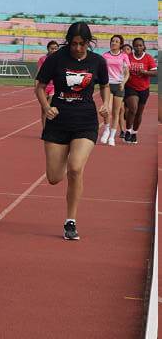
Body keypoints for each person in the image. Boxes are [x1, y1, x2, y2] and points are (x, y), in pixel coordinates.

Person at [35, 21, 109, 240]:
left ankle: (70, 221)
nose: (78, 48)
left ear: (88, 42)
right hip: (58, 121)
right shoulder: (55, 59)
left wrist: (105, 104)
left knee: (76, 168)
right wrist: (46, 107)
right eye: (74, 43)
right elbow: (39, 87)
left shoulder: (97, 61)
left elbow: (104, 85)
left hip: (85, 121)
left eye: (82, 43)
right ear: (69, 42)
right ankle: (65, 164)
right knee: (54, 178)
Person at [124, 37, 157, 144]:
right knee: (133, 108)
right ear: (133, 47)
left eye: (140, 45)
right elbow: (123, 69)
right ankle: (128, 130)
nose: (138, 47)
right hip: (130, 87)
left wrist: (145, 72)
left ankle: (134, 132)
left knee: (139, 113)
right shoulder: (128, 57)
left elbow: (155, 73)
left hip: (143, 89)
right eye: (136, 45)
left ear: (144, 47)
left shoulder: (148, 58)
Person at [99, 35, 130, 146]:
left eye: (116, 41)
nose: (114, 43)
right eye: (112, 41)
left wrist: (123, 83)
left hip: (119, 85)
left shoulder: (124, 56)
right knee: (107, 109)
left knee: (116, 112)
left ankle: (112, 136)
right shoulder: (105, 55)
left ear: (120, 44)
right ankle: (106, 129)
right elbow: (101, 71)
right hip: (107, 85)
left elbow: (127, 73)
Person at [35, 40, 59, 128]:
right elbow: (38, 74)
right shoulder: (42, 59)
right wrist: (36, 87)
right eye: (52, 49)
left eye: (56, 48)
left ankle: (51, 128)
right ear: (48, 49)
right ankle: (45, 129)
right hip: (44, 86)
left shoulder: (59, 59)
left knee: (49, 106)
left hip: (54, 86)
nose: (54, 50)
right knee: (44, 110)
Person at [119, 43, 133, 137]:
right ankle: (122, 130)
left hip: (130, 88)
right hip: (120, 86)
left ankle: (128, 128)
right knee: (120, 109)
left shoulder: (132, 61)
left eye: (128, 49)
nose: (125, 51)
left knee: (128, 110)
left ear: (130, 51)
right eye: (123, 49)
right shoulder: (118, 60)